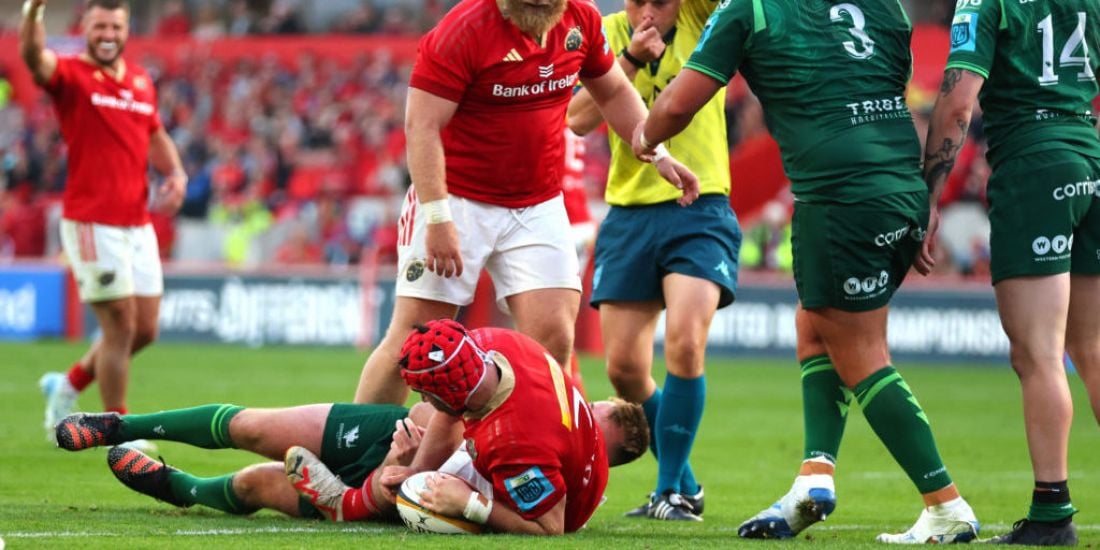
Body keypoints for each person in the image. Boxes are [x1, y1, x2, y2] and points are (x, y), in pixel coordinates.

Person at [634, 0, 980, 543]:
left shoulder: (749, 9)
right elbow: (886, 84)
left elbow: (679, 104)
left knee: (862, 353)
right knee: (813, 328)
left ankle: (945, 503)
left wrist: (645, 137)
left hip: (840, 197)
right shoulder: (884, 6)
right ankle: (813, 479)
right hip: (900, 186)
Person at [351, 0, 699, 406]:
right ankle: (358, 457)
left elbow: (615, 90)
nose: (540, 1)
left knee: (553, 340)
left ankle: (521, 459)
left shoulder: (581, 20)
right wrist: (437, 216)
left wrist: (656, 151)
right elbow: (422, 125)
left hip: (537, 204)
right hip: (458, 199)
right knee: (414, 340)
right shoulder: (462, 30)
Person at [920, 1, 1100, 545]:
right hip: (1088, 159)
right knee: (1090, 348)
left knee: (1038, 353)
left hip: (1034, 169)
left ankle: (1051, 513)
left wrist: (929, 193)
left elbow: (958, 100)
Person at [565, 0, 739, 522]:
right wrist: (632, 59)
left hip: (699, 206)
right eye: (636, 0)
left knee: (686, 343)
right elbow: (576, 119)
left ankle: (671, 492)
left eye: (658, 2)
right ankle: (685, 485)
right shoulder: (608, 32)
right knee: (624, 370)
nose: (645, 11)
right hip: (629, 214)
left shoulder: (701, 20)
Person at [291, 319, 651, 535]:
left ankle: (348, 504)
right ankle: (356, 494)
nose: (422, 398)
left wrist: (472, 504)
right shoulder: (494, 349)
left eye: (425, 393)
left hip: (515, 484)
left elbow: (549, 528)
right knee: (421, 431)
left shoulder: (518, 445)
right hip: (507, 444)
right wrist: (417, 466)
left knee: (418, 480)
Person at [20, 0, 187, 442]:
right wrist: (34, 10)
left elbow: (155, 132)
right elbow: (34, 58)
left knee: (145, 329)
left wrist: (176, 172)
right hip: (93, 222)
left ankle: (68, 383)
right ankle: (120, 430)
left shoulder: (138, 80)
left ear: (126, 28)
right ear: (86, 28)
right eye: (99, 26)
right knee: (120, 325)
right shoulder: (71, 74)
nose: (108, 33)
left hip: (137, 221)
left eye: (115, 25)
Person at [53, 402, 427, 520]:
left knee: (255, 484)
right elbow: (436, 413)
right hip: (403, 436)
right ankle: (118, 426)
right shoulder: (461, 416)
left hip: (406, 491)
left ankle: (179, 487)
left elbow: (486, 512)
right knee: (253, 427)